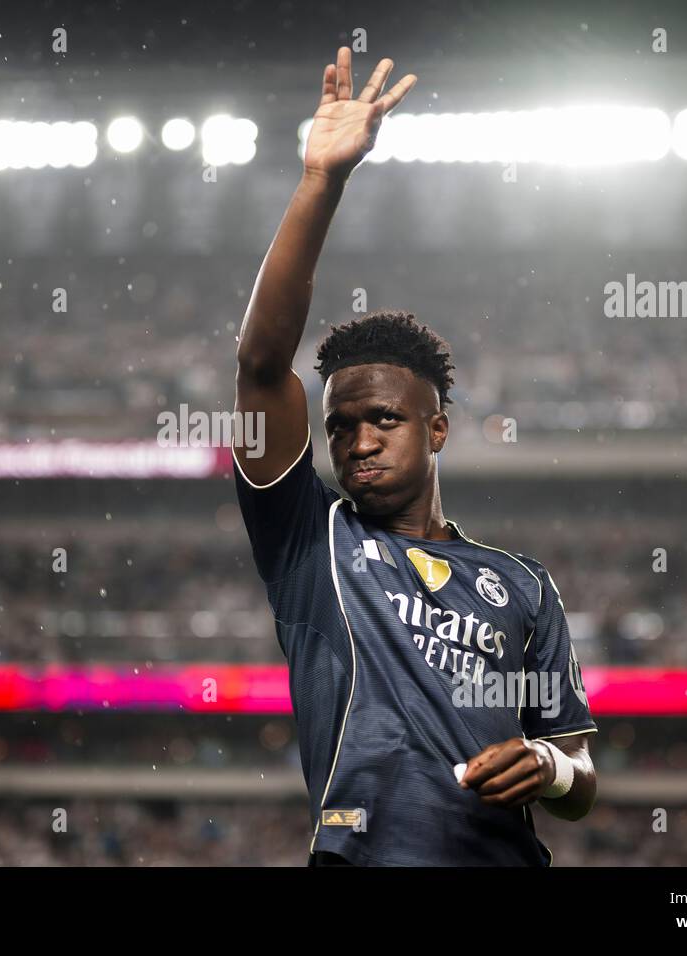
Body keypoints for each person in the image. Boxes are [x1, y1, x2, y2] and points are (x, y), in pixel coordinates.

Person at [233, 46, 597, 866]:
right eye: (340, 427)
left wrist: (546, 764)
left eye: (385, 419)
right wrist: (321, 182)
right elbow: (260, 366)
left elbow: (579, 773)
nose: (358, 441)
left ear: (437, 429)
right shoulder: (310, 544)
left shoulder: (524, 586)